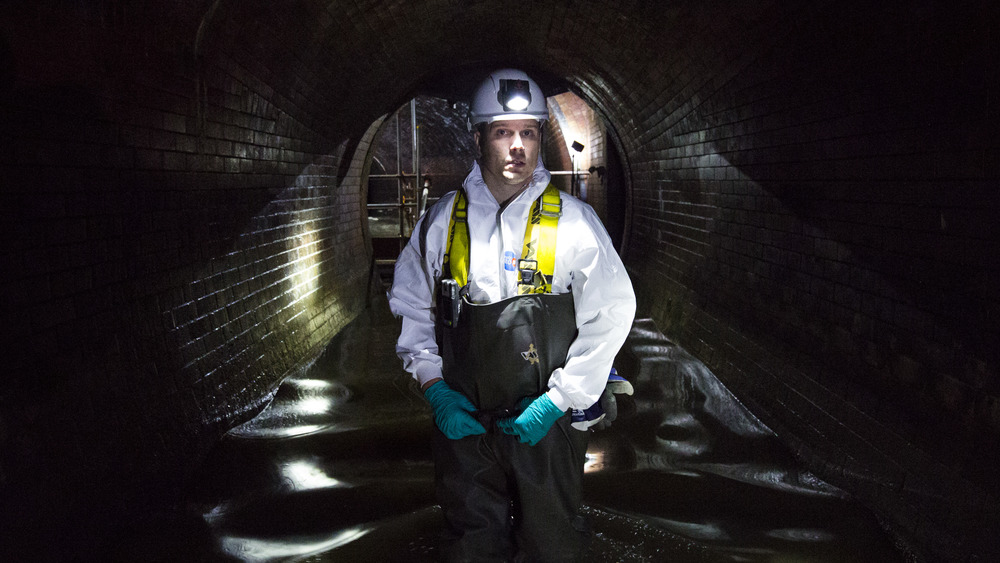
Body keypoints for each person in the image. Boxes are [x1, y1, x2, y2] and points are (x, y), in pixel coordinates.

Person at [389, 68, 636, 562]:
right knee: (470, 545)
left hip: (545, 427)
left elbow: (612, 311)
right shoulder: (442, 222)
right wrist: (435, 390)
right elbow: (412, 309)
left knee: (554, 545)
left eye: (528, 133)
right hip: (466, 431)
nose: (517, 146)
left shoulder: (572, 222)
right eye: (503, 132)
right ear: (478, 137)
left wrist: (561, 400)